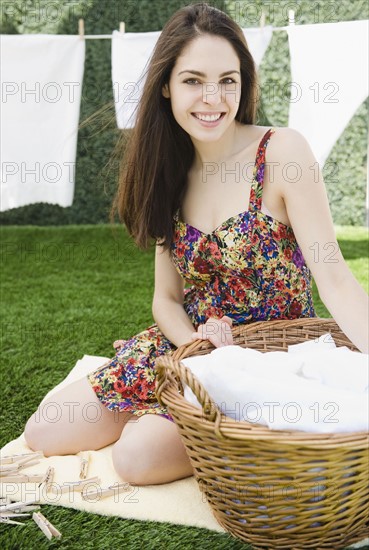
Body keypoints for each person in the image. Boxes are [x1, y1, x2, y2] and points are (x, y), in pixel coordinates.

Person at [24, 2, 369, 486]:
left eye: (228, 80)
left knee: (136, 459)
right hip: (190, 346)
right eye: (193, 80)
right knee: (45, 430)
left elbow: (334, 277)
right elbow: (165, 299)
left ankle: (243, 428)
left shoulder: (283, 152)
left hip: (271, 360)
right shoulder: (167, 170)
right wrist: (192, 343)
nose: (213, 97)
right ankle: (164, 399)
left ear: (244, 83)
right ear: (166, 86)